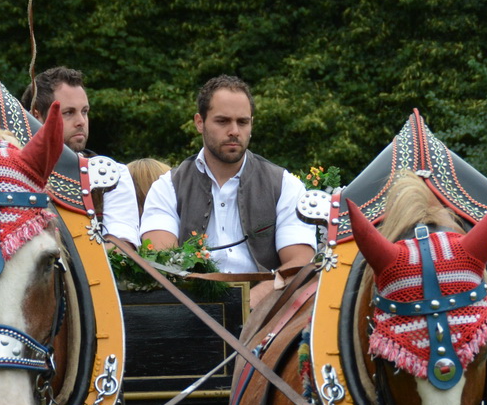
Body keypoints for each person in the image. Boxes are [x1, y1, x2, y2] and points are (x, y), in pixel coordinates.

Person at [140, 76, 315, 298]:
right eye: (222, 121)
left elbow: (299, 264)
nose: (234, 131)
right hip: (191, 311)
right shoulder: (168, 188)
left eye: (242, 122)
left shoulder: (285, 186)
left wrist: (254, 300)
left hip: (266, 316)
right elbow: (160, 262)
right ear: (199, 122)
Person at [24, 65, 142, 243]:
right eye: (68, 113)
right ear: (37, 117)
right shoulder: (9, 175)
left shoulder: (112, 175)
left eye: (84, 111)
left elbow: (120, 249)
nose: (81, 121)